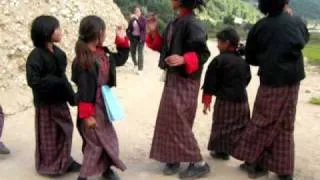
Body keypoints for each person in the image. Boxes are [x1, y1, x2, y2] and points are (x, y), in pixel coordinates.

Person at [233, 0, 309, 179]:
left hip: (271, 80)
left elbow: (251, 58)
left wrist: (266, 57)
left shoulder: (260, 26)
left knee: (262, 120)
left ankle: (256, 163)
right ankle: (284, 171)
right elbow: (303, 40)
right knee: (285, 124)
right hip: (293, 80)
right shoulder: (296, 21)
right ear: (285, 2)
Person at [146, 0, 211, 179]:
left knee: (178, 120)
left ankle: (199, 163)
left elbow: (203, 53)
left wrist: (184, 59)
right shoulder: (175, 22)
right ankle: (173, 157)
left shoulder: (193, 24)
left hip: (186, 80)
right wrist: (153, 32)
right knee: (169, 119)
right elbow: (164, 48)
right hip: (174, 78)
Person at [72, 15, 130, 180]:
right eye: (104, 31)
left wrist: (121, 38)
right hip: (91, 107)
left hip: (103, 106)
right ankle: (83, 177)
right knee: (95, 144)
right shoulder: (84, 60)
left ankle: (105, 170)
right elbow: (84, 90)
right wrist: (87, 115)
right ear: (98, 33)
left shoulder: (104, 54)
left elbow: (121, 59)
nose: (105, 34)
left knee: (106, 139)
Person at [26, 15, 80, 176]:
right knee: (50, 136)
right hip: (46, 104)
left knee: (65, 131)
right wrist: (54, 81)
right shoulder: (35, 56)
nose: (60, 31)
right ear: (46, 32)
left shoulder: (59, 53)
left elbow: (62, 79)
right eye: (57, 28)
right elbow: (33, 81)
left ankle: (64, 161)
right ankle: (50, 166)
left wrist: (72, 97)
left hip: (60, 102)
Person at [202, 28, 251, 161]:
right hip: (242, 101)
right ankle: (241, 152)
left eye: (219, 42)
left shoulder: (218, 60)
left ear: (227, 43)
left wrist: (207, 102)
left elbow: (209, 83)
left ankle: (221, 152)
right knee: (240, 128)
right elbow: (247, 79)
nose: (217, 45)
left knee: (221, 127)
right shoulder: (243, 61)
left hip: (225, 102)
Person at [127, 5, 146, 74]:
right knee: (132, 52)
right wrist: (128, 36)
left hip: (140, 38)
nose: (136, 12)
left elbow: (142, 27)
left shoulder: (143, 19)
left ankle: (140, 69)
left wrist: (137, 19)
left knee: (140, 53)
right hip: (133, 38)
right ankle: (135, 64)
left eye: (138, 11)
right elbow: (129, 28)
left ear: (141, 12)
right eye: (135, 11)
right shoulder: (132, 19)